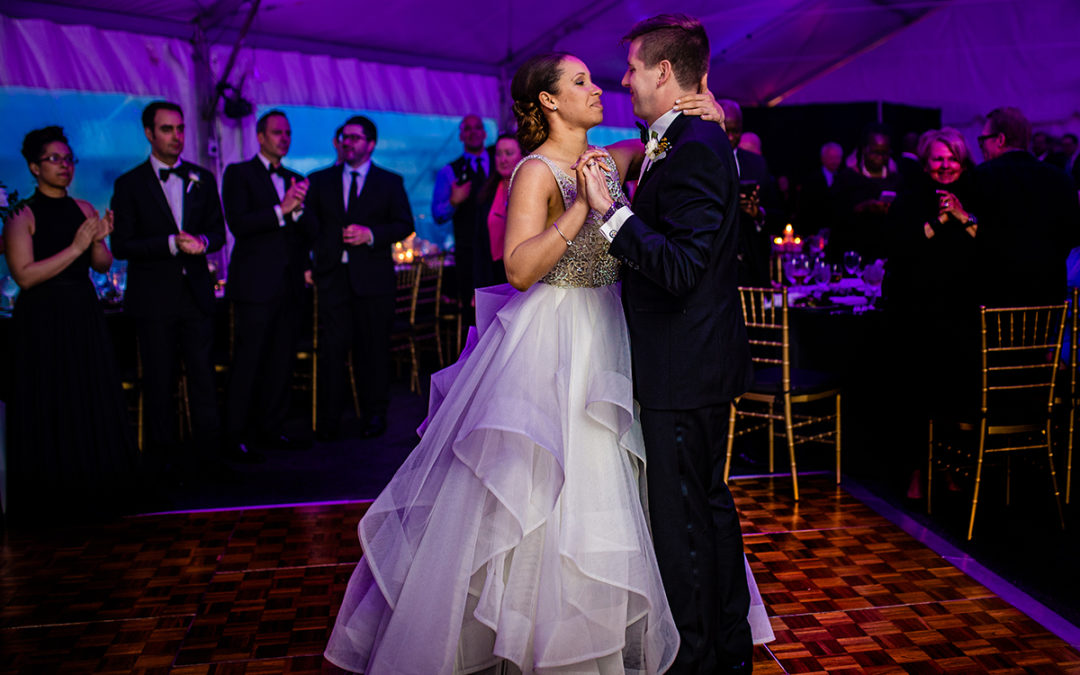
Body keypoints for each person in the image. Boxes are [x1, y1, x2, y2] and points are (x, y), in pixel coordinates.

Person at [323, 52, 770, 673]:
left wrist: (710, 111)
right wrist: (584, 209)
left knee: (629, 483)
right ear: (550, 102)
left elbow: (663, 142)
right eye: (581, 81)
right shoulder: (533, 172)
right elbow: (518, 269)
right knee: (551, 485)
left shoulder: (614, 157)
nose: (599, 88)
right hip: (556, 336)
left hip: (615, 331)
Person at [586, 14, 759, 673]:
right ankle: (724, 649)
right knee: (704, 508)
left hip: (684, 365)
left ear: (663, 71)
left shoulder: (693, 147)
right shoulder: (691, 140)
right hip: (691, 361)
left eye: (632, 66)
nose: (623, 78)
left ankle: (696, 657)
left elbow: (684, 267)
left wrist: (612, 213)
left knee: (684, 518)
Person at [3, 126, 137, 519]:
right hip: (42, 317)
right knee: (50, 398)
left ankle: (96, 483)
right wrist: (76, 246)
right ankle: (53, 491)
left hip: (83, 311)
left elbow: (101, 265)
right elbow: (24, 276)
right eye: (54, 159)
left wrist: (99, 241)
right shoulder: (20, 216)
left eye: (68, 159)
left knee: (88, 394)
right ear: (33, 166)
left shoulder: (84, 208)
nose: (64, 166)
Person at [111, 101, 227, 470]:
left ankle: (209, 459)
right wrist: (169, 243)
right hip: (153, 299)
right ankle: (163, 464)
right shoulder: (129, 183)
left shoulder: (201, 178)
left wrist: (204, 243)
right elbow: (121, 245)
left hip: (196, 295)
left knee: (203, 379)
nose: (176, 137)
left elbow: (218, 232)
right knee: (158, 381)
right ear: (149, 133)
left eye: (180, 129)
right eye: (167, 129)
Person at [883, 128, 980, 500]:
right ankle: (918, 474)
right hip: (919, 314)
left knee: (955, 397)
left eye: (952, 157)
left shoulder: (976, 194)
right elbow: (902, 248)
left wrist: (961, 215)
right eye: (938, 158)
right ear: (926, 164)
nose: (945, 165)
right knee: (919, 398)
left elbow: (987, 244)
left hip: (962, 314)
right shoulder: (910, 198)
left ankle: (952, 471)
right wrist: (941, 221)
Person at [305, 115, 414, 441]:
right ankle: (329, 421)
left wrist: (370, 235)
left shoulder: (389, 182)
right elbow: (309, 227)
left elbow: (403, 224)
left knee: (373, 351)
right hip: (333, 279)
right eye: (344, 136)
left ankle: (374, 416)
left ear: (370, 144)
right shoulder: (319, 180)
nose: (348, 142)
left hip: (373, 281)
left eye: (355, 137)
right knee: (332, 352)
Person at [220, 110, 310, 458]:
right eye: (277, 132)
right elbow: (239, 224)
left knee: (281, 362)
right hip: (254, 288)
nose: (283, 138)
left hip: (289, 287)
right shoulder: (239, 174)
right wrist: (281, 209)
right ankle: (235, 435)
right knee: (247, 361)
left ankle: (272, 429)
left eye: (287, 133)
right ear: (260, 136)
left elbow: (307, 234)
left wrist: (299, 212)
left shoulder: (295, 178)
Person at [972, 107, 1080, 307]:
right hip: (1048, 293)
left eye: (983, 140)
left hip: (994, 294)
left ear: (1000, 139)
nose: (982, 147)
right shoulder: (1061, 180)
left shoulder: (980, 177)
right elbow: (1072, 235)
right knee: (1044, 340)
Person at [717, 99, 783, 286]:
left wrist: (758, 214)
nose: (730, 137)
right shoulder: (699, 162)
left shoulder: (757, 164)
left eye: (735, 131)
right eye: (725, 130)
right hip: (716, 268)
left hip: (752, 266)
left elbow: (778, 215)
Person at [432, 114, 491, 322]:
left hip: (498, 252)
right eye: (467, 129)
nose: (473, 133)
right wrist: (454, 202)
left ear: (484, 133)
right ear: (461, 136)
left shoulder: (499, 162)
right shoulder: (449, 171)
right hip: (468, 253)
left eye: (477, 128)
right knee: (472, 314)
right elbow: (438, 215)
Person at [828, 124, 902, 263]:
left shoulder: (897, 180)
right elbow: (832, 218)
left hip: (887, 255)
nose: (880, 157)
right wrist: (863, 208)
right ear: (864, 150)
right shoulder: (846, 179)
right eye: (875, 152)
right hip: (853, 257)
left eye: (884, 152)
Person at [472, 132, 522, 288]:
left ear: (522, 156)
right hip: (493, 273)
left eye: (509, 153)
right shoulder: (486, 193)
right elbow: (479, 245)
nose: (503, 159)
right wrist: (478, 286)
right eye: (499, 154)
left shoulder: (530, 191)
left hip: (522, 273)